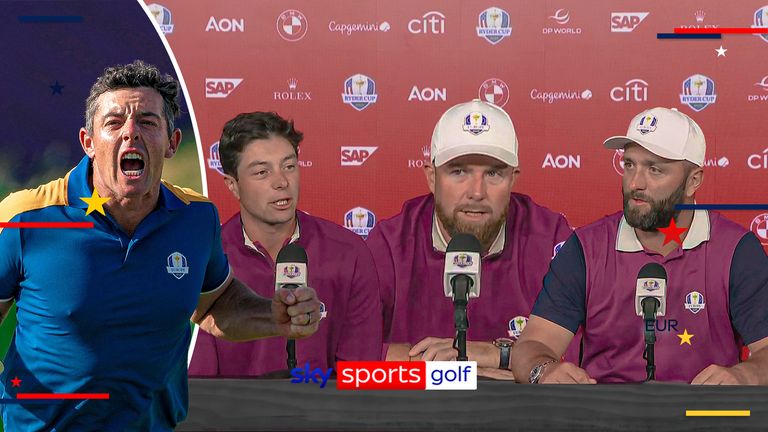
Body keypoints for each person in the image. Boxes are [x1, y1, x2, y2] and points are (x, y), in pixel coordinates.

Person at [0, 61, 320, 430]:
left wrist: (273, 316)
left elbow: (214, 304)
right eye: (114, 123)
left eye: (148, 122)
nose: (130, 134)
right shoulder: (25, 217)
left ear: (172, 143)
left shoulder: (196, 217)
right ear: (89, 143)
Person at [511, 107, 768, 384]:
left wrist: (743, 376)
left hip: (703, 408)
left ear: (693, 181)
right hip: (605, 409)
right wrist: (543, 369)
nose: (635, 183)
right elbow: (533, 345)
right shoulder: (586, 248)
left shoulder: (736, 251)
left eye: (655, 170)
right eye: (629, 165)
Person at [366, 99, 573, 376]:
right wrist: (457, 376)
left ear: (513, 179)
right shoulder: (390, 244)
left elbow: (577, 359)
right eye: (459, 171)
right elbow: (350, 357)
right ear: (432, 177)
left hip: (519, 405)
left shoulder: (550, 239)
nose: (477, 192)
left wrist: (491, 354)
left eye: (493, 173)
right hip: (420, 403)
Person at [188, 112, 382, 377]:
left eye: (289, 166)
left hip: (326, 404)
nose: (281, 182)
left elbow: (360, 375)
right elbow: (200, 385)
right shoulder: (206, 260)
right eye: (262, 172)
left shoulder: (349, 253)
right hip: (231, 405)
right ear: (233, 185)